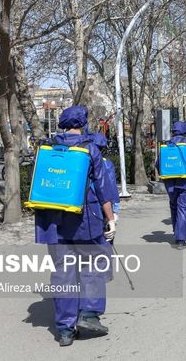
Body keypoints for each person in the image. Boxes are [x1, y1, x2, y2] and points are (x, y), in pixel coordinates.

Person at [34, 105, 115, 346]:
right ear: (83, 123)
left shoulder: (46, 148)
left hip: (52, 221)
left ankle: (65, 329)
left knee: (63, 272)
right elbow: (103, 188)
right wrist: (110, 219)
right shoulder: (89, 149)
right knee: (94, 264)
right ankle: (89, 314)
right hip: (85, 220)